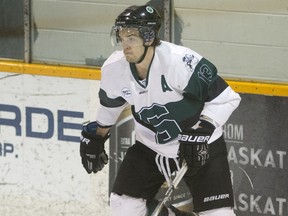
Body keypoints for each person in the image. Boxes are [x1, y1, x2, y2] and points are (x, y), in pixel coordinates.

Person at [80, 5, 241, 216]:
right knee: (123, 205)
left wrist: (202, 130)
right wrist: (97, 137)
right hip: (150, 147)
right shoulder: (114, 68)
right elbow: (110, 104)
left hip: (201, 147)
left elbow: (227, 98)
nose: (125, 45)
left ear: (148, 38)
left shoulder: (180, 62)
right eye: (121, 37)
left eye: (131, 38)